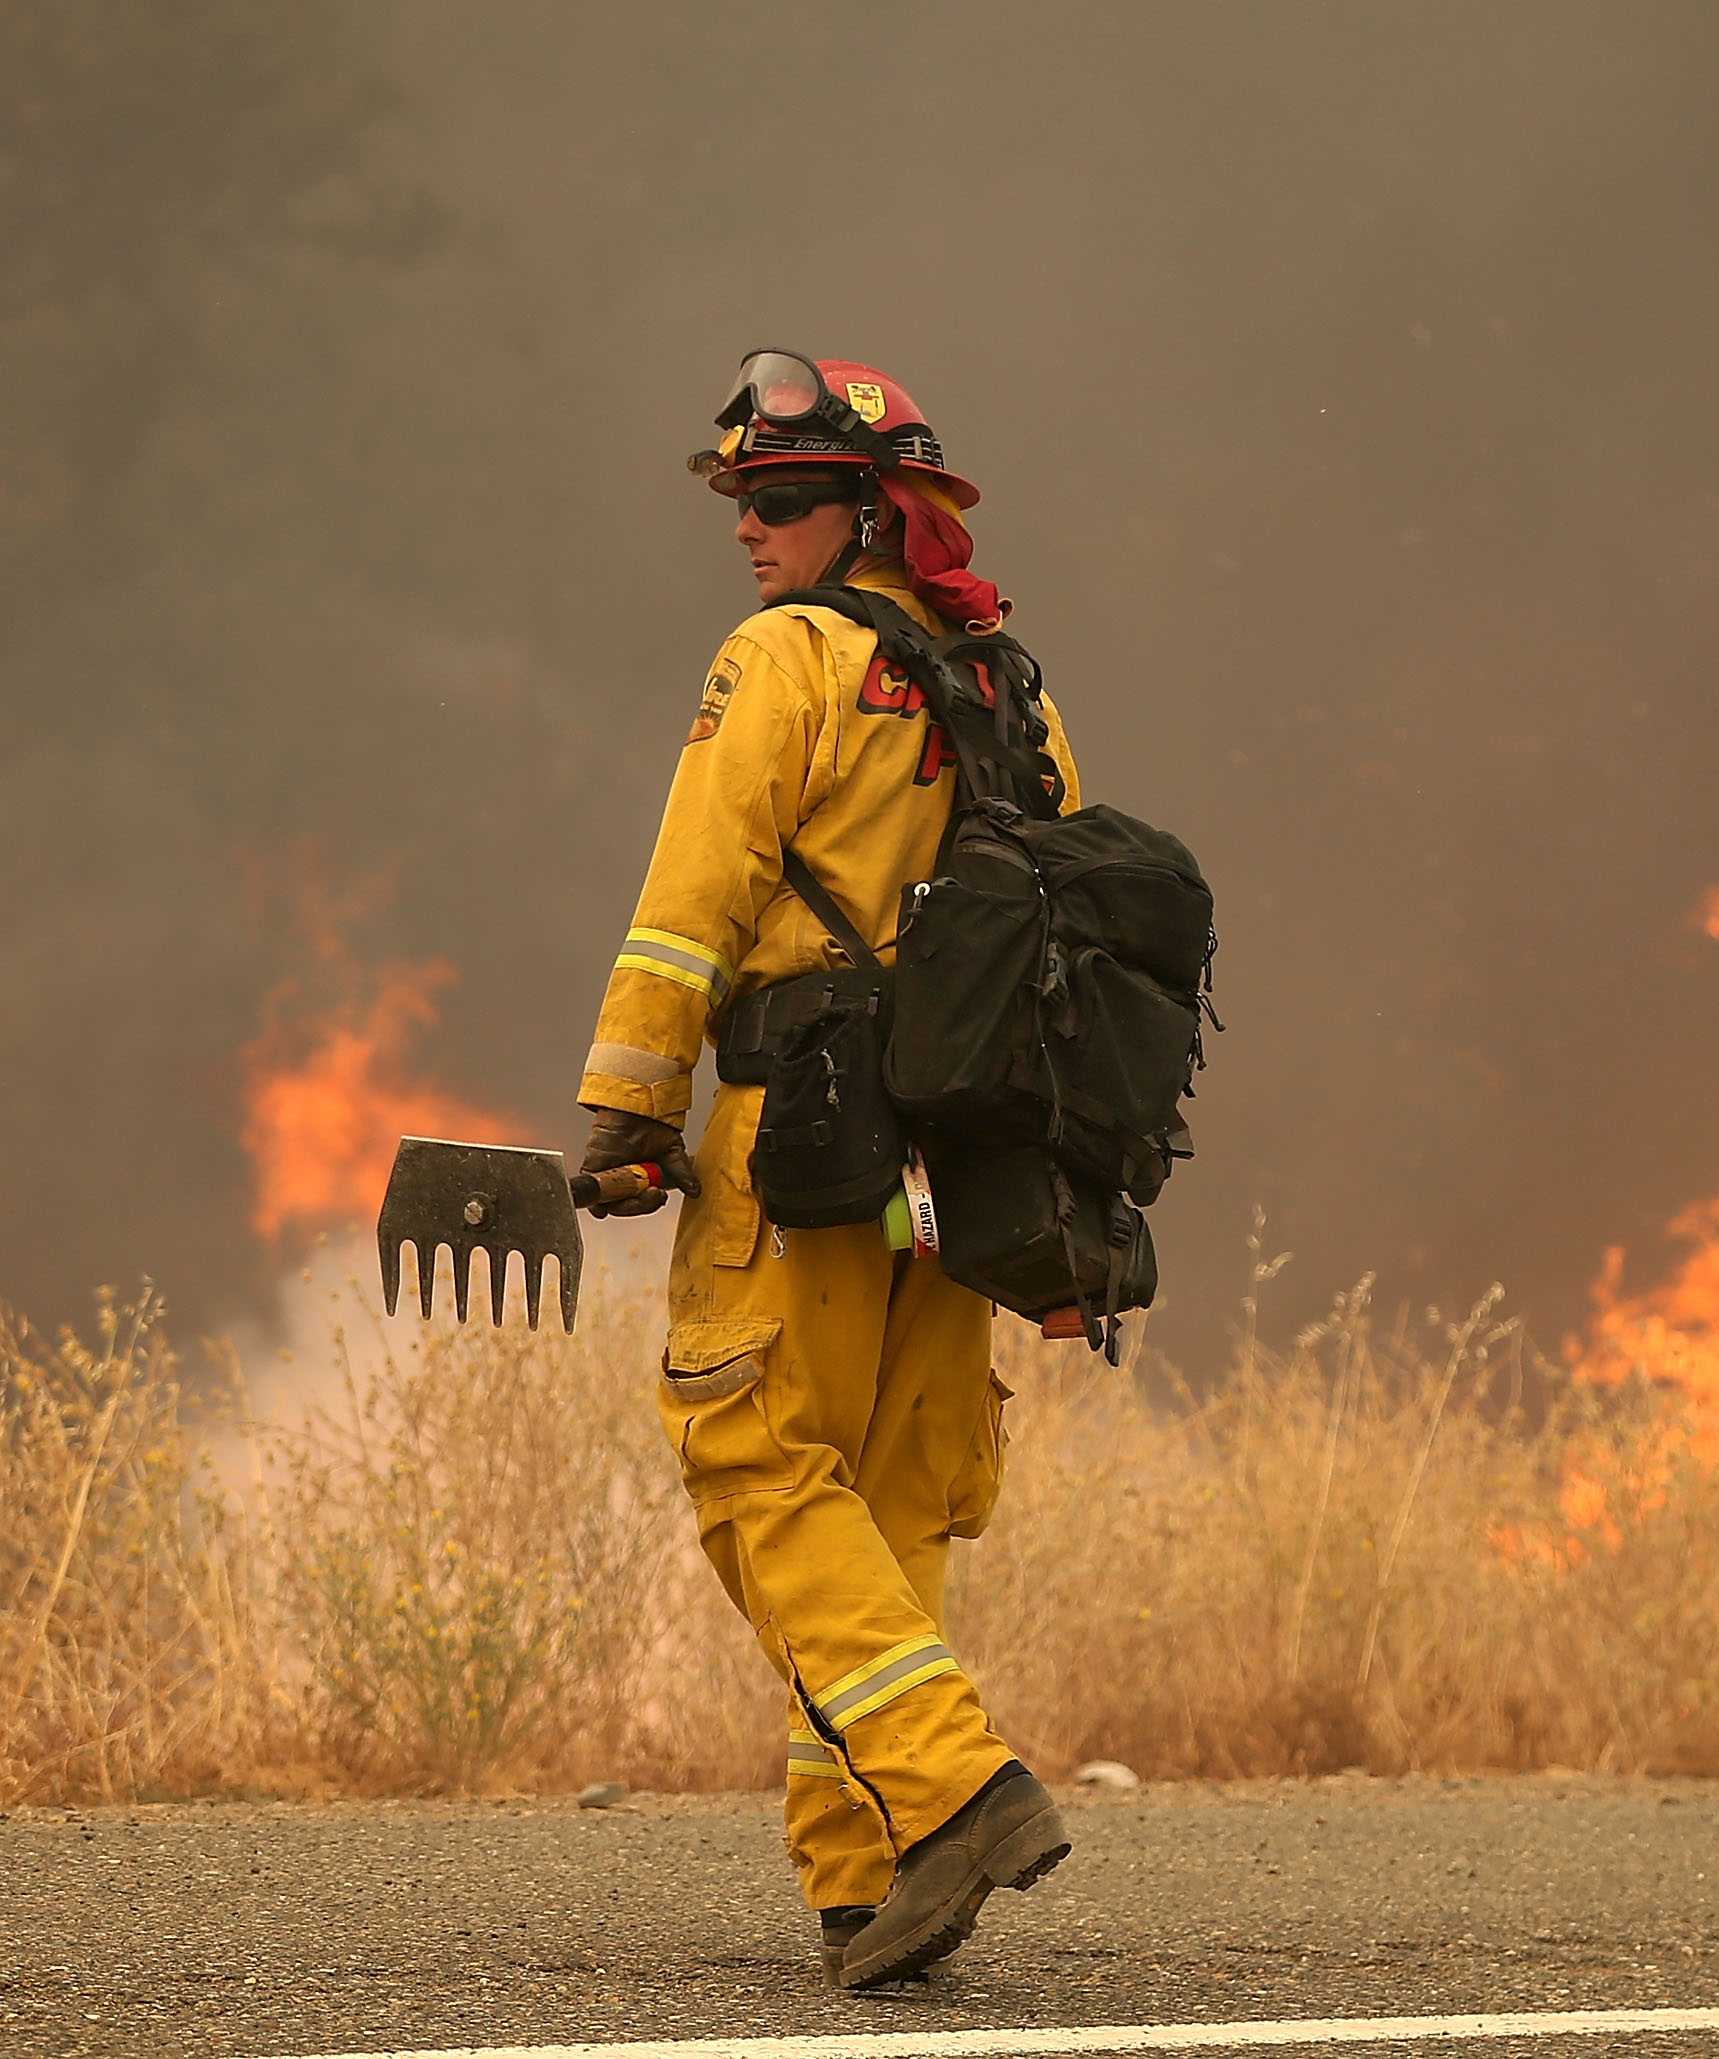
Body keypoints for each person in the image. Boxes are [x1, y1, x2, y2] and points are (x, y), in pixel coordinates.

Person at [570, 354, 1084, 1990]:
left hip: (801, 1130)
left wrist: (629, 1109)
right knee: (893, 1493)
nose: (752, 528)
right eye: (742, 500)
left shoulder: (781, 656)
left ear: (871, 511)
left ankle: (956, 1788)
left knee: (756, 1466)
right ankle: (868, 1886)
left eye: (782, 499)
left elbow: (693, 892)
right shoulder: (1009, 680)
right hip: (970, 1149)